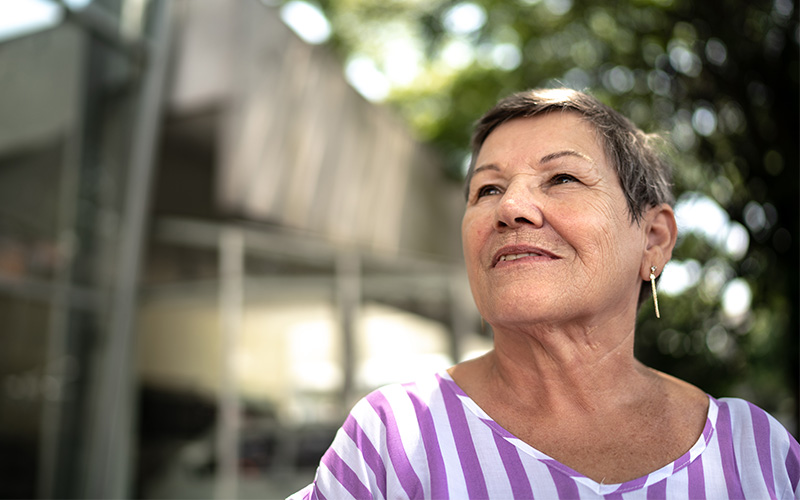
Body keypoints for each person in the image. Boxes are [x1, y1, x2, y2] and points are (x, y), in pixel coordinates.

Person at [289, 88, 800, 499]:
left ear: (653, 239)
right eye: (487, 189)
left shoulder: (757, 452)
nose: (511, 207)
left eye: (561, 178)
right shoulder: (392, 442)